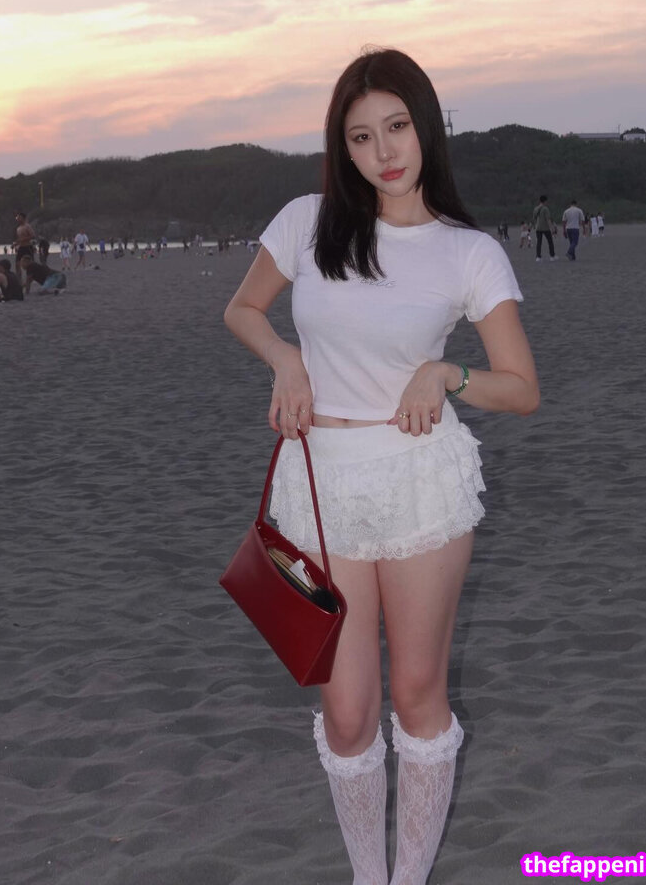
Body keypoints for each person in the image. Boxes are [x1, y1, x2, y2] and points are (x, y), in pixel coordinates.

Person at [223, 49, 539, 885]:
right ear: (344, 147)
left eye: (397, 127)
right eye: (361, 137)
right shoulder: (308, 221)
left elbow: (521, 388)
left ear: (425, 125)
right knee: (348, 712)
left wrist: (448, 374)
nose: (383, 151)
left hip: (417, 481)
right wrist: (284, 359)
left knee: (418, 692)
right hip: (319, 481)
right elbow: (242, 308)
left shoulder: (468, 252)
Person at [14, 212, 37, 281]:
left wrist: (23, 239)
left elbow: (33, 235)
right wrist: (16, 243)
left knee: (30, 264)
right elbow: (19, 239)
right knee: (17, 264)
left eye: (19, 217)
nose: (18, 219)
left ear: (23, 218)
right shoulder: (18, 228)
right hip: (21, 247)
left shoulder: (27, 226)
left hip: (28, 247)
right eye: (17, 218)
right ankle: (19, 280)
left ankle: (32, 277)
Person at [531, 195, 556, 261]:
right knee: (550, 242)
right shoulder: (545, 209)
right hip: (545, 228)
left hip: (538, 228)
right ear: (545, 201)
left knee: (539, 242)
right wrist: (552, 228)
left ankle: (538, 257)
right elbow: (548, 219)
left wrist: (534, 226)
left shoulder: (536, 208)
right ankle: (552, 256)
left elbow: (534, 218)